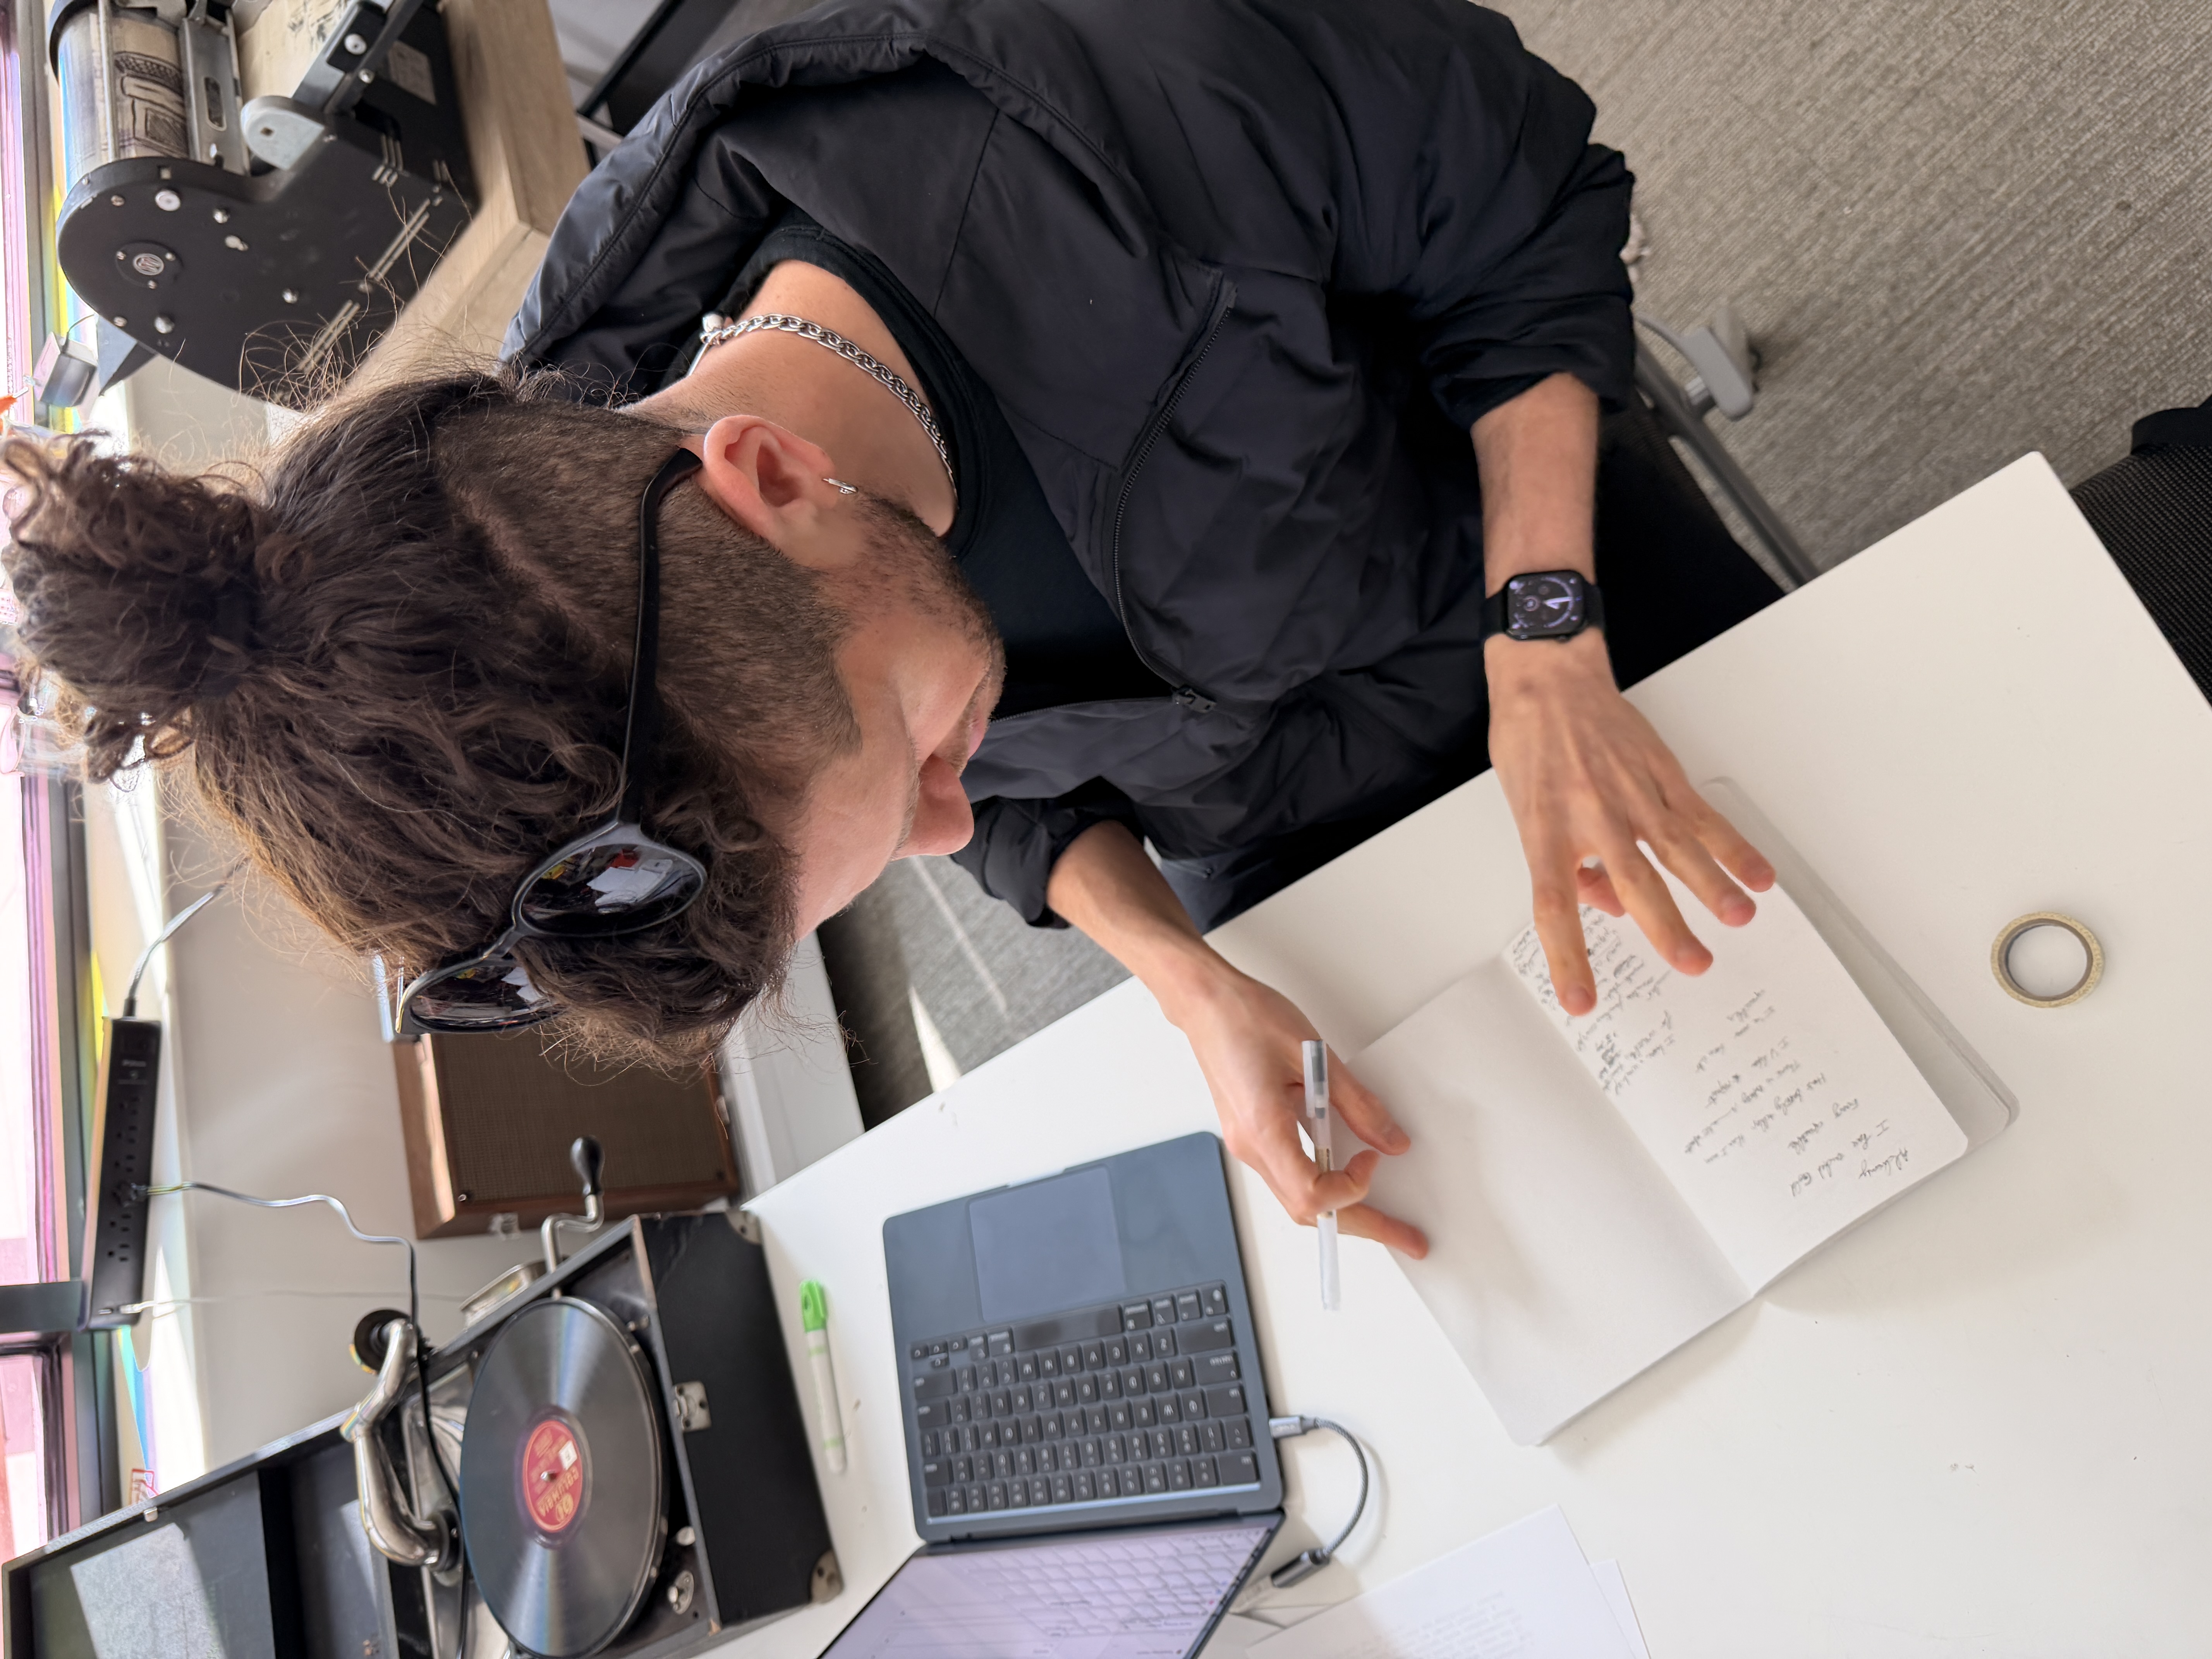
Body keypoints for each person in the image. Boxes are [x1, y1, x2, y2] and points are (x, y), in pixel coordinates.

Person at [1, 0, 1781, 1255]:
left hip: (1521, 582)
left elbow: (1531, 205)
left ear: (768, 474)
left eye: (926, 754)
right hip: (1270, 812)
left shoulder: (1109, 102)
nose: (960, 820)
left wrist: (1545, 631)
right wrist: (1179, 976)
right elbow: (984, 804)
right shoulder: (637, 579)